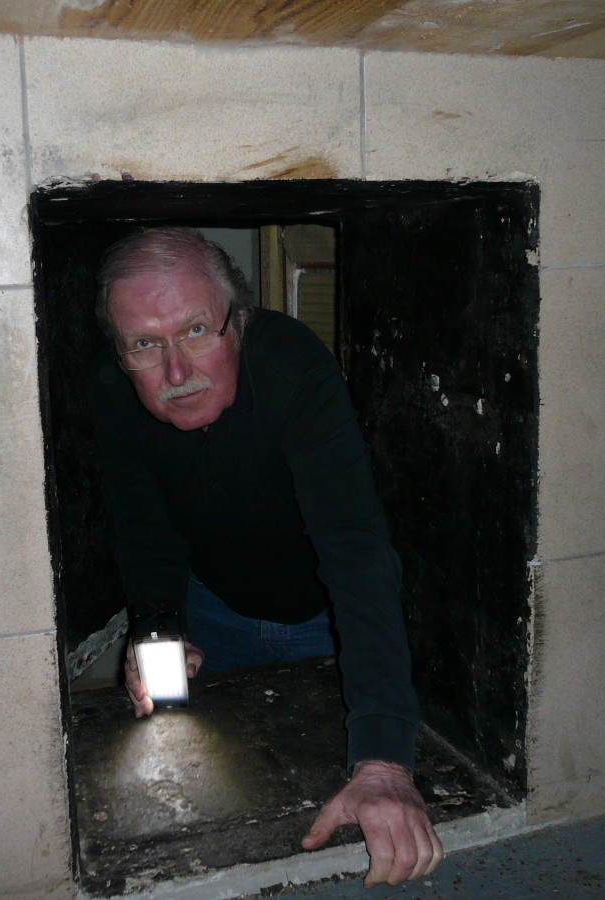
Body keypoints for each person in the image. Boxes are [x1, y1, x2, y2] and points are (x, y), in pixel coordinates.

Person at [85, 227, 444, 887]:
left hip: (329, 620)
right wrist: (160, 623)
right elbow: (142, 523)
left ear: (240, 322)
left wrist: (384, 762)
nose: (176, 372)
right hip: (215, 610)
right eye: (145, 345)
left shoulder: (291, 364)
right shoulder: (114, 391)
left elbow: (356, 551)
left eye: (196, 331)